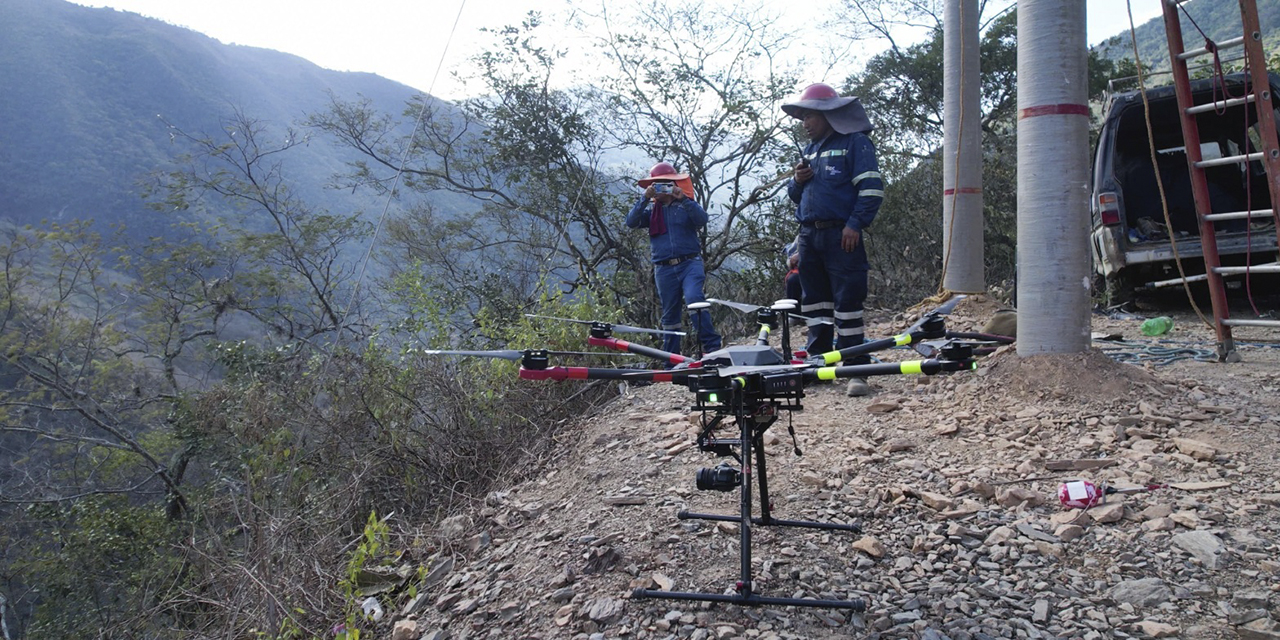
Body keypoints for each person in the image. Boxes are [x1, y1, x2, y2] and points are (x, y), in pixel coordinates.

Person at [783, 83, 884, 397]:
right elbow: (796, 196)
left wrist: (855, 224)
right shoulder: (810, 150)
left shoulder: (855, 143)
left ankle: (856, 369)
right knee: (816, 304)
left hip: (842, 235)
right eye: (802, 117)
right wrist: (796, 181)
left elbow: (871, 189)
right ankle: (819, 365)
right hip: (810, 236)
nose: (805, 123)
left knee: (847, 303)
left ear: (828, 114)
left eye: (809, 116)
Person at [626, 162, 722, 356]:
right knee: (670, 315)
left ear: (673, 184)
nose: (660, 188)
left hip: (689, 263)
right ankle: (671, 359)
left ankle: (712, 348)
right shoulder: (652, 212)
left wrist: (684, 199)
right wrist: (644, 199)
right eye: (656, 185)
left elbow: (702, 220)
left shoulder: (685, 206)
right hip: (664, 268)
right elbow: (631, 222)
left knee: (695, 299)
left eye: (664, 184)